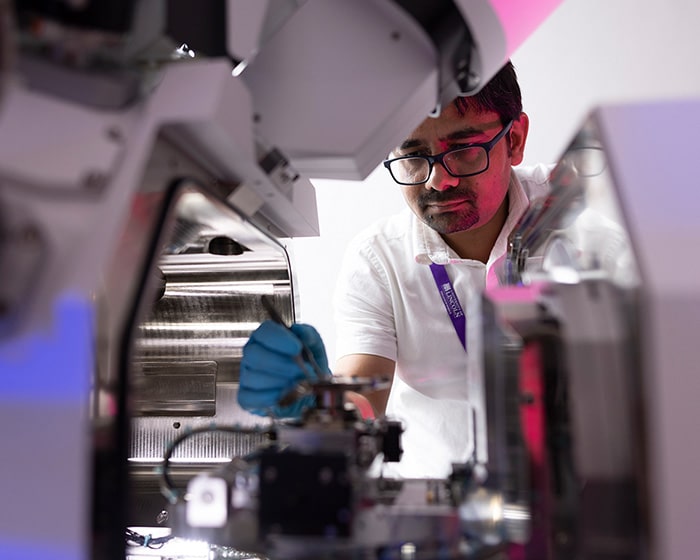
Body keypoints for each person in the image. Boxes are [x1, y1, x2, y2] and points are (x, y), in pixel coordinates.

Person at [238, 61, 551, 478]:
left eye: (463, 150)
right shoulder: (378, 260)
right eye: (414, 156)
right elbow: (363, 401)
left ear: (514, 139)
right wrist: (317, 401)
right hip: (440, 506)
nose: (440, 181)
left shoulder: (576, 212)